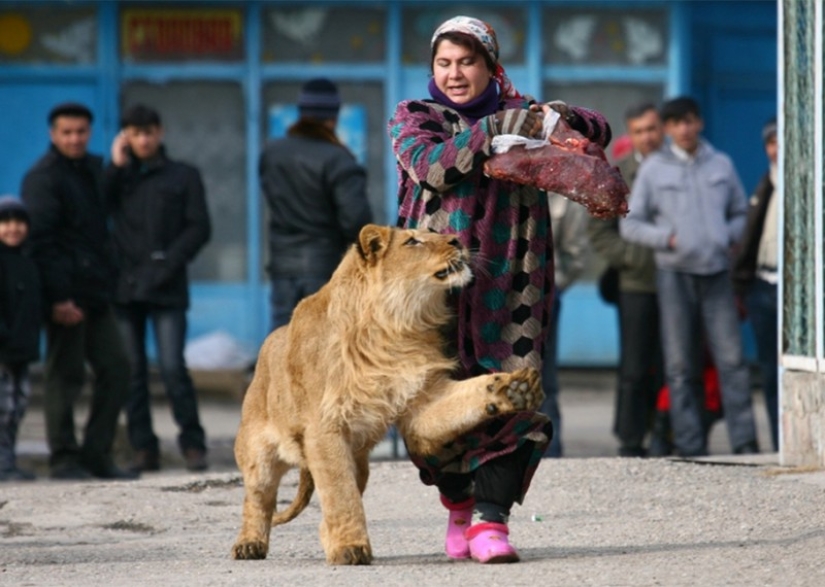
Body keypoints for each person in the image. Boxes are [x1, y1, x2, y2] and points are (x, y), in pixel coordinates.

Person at [388, 15, 611, 563]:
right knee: (430, 403)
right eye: (445, 63)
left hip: (515, 280)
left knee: (512, 393)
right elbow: (432, 167)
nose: (456, 73)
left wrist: (556, 117)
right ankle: (458, 504)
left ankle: (492, 521)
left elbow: (596, 131)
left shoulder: (522, 112)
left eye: (467, 62)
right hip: (432, 290)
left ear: (490, 66)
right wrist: (492, 131)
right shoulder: (415, 117)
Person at [620, 96, 759, 457]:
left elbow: (740, 213)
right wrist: (667, 239)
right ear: (668, 129)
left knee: (732, 361)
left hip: (716, 276)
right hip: (674, 276)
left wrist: (724, 236)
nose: (684, 129)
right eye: (676, 123)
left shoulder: (721, 164)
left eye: (690, 121)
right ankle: (690, 444)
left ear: (699, 123)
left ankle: (745, 442)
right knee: (680, 365)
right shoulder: (653, 170)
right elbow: (630, 224)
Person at [21, 102, 136, 480]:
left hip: (96, 293)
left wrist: (118, 168)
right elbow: (41, 243)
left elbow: (102, 213)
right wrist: (57, 299)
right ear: (53, 135)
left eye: (81, 132)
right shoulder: (44, 178)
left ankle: (96, 454)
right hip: (65, 296)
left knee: (118, 368)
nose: (75, 139)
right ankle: (64, 458)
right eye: (67, 132)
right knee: (65, 376)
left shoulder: (90, 170)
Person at [105, 104, 212, 473]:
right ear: (125, 137)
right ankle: (143, 448)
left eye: (149, 132)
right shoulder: (117, 178)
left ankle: (193, 445)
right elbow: (93, 211)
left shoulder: (183, 176)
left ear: (160, 132)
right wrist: (116, 168)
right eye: (136, 133)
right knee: (131, 371)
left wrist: (168, 263)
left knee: (171, 368)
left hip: (167, 287)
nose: (144, 139)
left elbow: (199, 227)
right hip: (125, 288)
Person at [259, 78, 373, 330]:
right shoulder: (339, 159)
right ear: (333, 116)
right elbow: (356, 220)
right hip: (325, 264)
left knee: (282, 338)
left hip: (281, 262)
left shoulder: (272, 153)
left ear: (301, 112)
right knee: (320, 339)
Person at [587, 102, 667, 457]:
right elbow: (600, 233)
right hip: (636, 285)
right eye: (640, 131)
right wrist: (634, 258)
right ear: (630, 135)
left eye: (652, 129)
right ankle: (631, 439)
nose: (647, 137)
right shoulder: (618, 176)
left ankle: (668, 435)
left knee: (674, 365)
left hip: (680, 282)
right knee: (635, 366)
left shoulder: (678, 170)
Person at [733, 117, 779, 451]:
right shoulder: (765, 184)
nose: (776, 149)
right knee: (769, 370)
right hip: (762, 284)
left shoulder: (808, 185)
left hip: (792, 289)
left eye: (782, 141)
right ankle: (780, 442)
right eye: (771, 142)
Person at [540, 192, 590, 458]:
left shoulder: (562, 197)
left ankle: (550, 453)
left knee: (544, 381)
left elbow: (576, 253)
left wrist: (555, 285)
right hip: (499, 295)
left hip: (545, 294)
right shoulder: (501, 180)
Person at [0, 196, 41, 482]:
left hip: (22, 351)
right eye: (5, 222)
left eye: (19, 222)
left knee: (19, 405)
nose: (13, 228)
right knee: (3, 407)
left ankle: (8, 459)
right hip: (2, 350)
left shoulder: (29, 262)